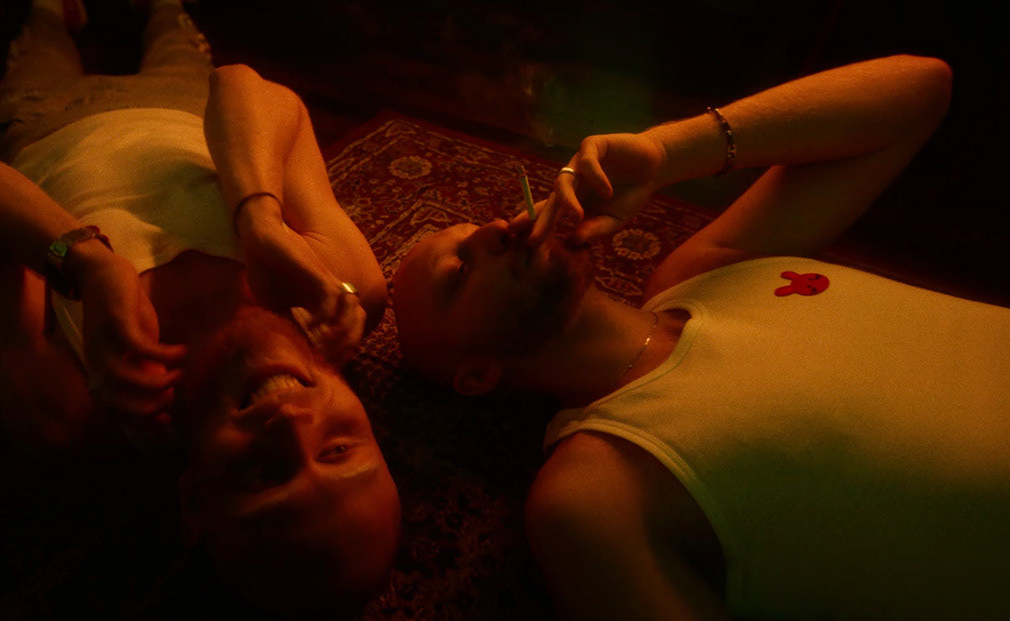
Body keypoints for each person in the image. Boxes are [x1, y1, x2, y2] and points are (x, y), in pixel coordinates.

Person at [392, 54, 1010, 620]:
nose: (497, 228)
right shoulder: (592, 492)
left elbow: (920, 90)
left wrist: (670, 151)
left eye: (477, 225)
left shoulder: (703, 273)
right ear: (478, 374)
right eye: (459, 271)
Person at [0, 0, 399, 616]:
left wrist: (86, 263)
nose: (292, 424)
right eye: (338, 450)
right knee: (172, 26)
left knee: (44, 33)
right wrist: (260, 217)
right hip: (185, 104)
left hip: (37, 123)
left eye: (266, 475)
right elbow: (240, 86)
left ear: (194, 499)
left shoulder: (73, 405)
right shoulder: (337, 291)